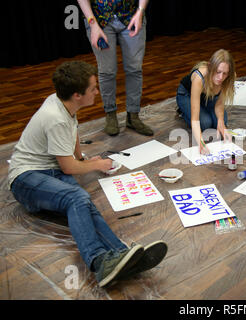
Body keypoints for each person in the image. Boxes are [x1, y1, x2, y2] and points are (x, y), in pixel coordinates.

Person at [8, 61, 167, 288]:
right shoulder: (55, 117)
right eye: (93, 88)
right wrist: (97, 164)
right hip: (25, 179)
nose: (97, 91)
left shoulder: (63, 104)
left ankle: (122, 255)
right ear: (77, 95)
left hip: (48, 170)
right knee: (77, 197)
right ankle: (100, 262)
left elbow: (71, 131)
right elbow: (68, 168)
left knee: (82, 202)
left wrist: (81, 158)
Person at [77, 0, 153, 136]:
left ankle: (133, 116)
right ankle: (110, 115)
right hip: (99, 19)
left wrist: (140, 11)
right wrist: (92, 24)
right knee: (107, 71)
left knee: (134, 69)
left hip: (131, 14)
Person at [176, 49, 236, 154]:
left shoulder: (230, 77)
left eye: (225, 73)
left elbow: (219, 104)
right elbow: (195, 118)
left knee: (221, 122)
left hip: (206, 97)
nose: (221, 77)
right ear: (210, 67)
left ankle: (205, 107)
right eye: (218, 72)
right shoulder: (199, 78)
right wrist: (200, 143)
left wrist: (221, 122)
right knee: (205, 123)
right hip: (187, 95)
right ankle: (183, 111)